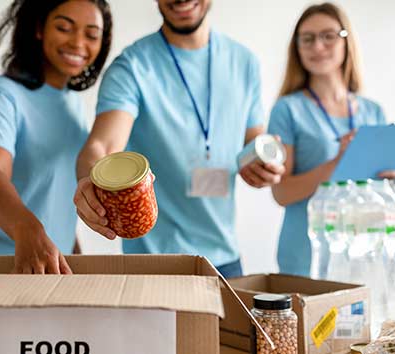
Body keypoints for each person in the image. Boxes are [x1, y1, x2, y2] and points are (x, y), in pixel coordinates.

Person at [73, 0, 284, 278]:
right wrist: (90, 178)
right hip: (153, 264)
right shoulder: (132, 66)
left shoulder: (244, 62)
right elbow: (103, 145)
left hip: (226, 259)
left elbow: (253, 139)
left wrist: (263, 164)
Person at [0, 0, 112, 274]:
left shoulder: (73, 106)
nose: (78, 43)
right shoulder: (2, 95)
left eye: (91, 35)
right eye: (65, 28)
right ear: (39, 28)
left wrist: (72, 250)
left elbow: (54, 192)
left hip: (50, 269)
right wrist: (28, 230)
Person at [267, 2, 392, 276]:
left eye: (328, 36)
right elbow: (281, 192)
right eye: (308, 39)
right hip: (305, 256)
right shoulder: (287, 110)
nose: (318, 46)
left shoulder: (373, 111)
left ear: (347, 41)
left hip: (364, 253)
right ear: (297, 48)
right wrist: (336, 163)